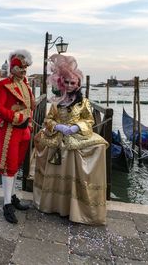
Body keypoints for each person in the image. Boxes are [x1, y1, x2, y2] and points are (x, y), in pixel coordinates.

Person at [33, 54, 108, 225]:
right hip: (58, 137)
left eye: (72, 83)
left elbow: (89, 120)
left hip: (76, 136)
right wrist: (57, 126)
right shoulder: (56, 102)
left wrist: (76, 127)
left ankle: (76, 208)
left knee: (99, 146)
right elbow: (48, 119)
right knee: (42, 140)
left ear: (78, 84)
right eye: (66, 82)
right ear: (61, 83)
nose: (69, 85)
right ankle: (54, 205)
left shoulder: (84, 103)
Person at [0, 49, 35, 224]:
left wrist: (29, 123)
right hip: (10, 130)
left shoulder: (26, 85)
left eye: (25, 67)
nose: (24, 70)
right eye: (20, 67)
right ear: (12, 67)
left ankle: (13, 196)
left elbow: (30, 107)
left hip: (24, 132)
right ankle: (7, 204)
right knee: (8, 167)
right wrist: (16, 117)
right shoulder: (3, 85)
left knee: (16, 166)